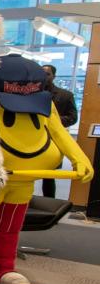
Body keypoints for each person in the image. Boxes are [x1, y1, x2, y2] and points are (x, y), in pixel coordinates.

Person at [40, 64, 78, 198]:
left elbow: (73, 118)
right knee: (25, 174)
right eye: (41, 73)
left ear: (54, 76)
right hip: (32, 138)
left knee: (49, 175)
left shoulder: (65, 95)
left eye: (47, 74)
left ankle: (49, 204)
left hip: (53, 140)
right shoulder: (29, 93)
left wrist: (53, 121)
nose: (44, 76)